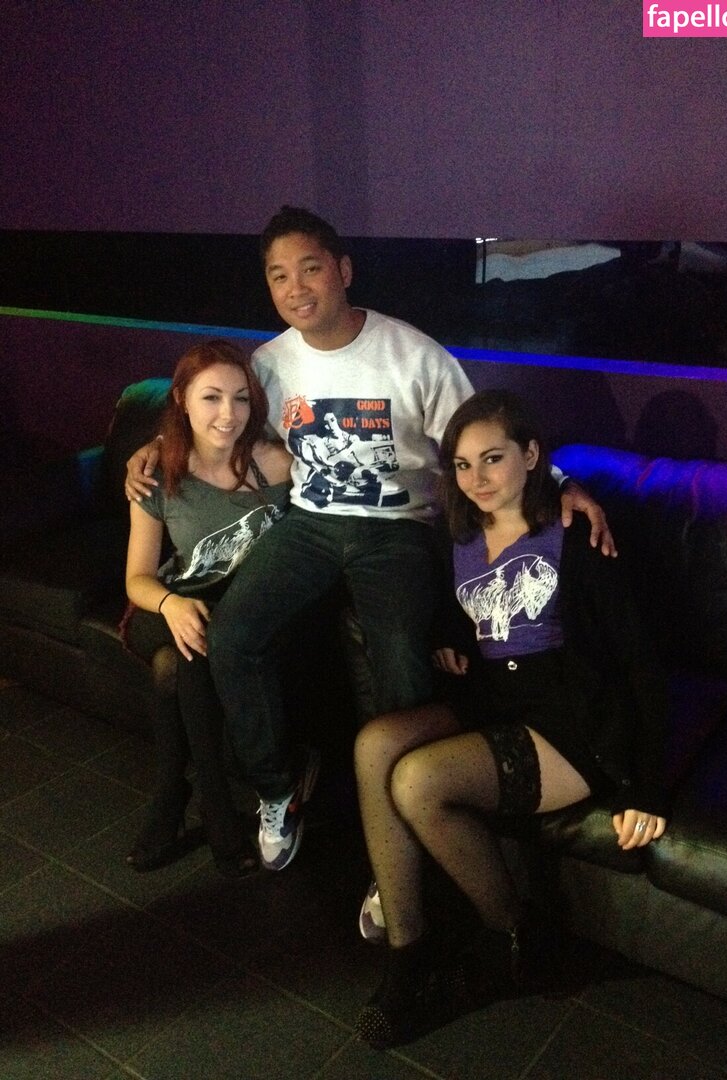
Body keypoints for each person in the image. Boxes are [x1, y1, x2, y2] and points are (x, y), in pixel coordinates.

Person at [124, 206, 615, 874]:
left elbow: (483, 438)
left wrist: (558, 483)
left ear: (344, 270)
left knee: (400, 658)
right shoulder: (268, 365)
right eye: (278, 276)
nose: (296, 288)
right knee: (233, 638)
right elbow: (216, 416)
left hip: (397, 529)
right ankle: (277, 789)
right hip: (309, 523)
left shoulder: (412, 355)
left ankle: (405, 818)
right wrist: (156, 445)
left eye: (310, 269)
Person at [353, 389, 668, 1049]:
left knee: (418, 780)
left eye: (492, 458)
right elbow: (464, 614)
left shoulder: (577, 534)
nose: (477, 479)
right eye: (463, 465)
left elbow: (639, 660)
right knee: (375, 744)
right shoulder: (459, 531)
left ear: (530, 455)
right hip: (494, 697)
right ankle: (409, 951)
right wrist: (447, 639)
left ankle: (516, 938)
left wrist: (644, 786)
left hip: (570, 719)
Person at [123, 340, 291, 878]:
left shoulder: (277, 464)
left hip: (241, 610)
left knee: (176, 664)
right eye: (211, 397)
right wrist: (172, 604)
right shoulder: (157, 474)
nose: (228, 413)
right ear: (182, 399)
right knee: (190, 644)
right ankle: (215, 807)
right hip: (167, 602)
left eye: (240, 398)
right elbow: (137, 578)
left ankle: (172, 794)